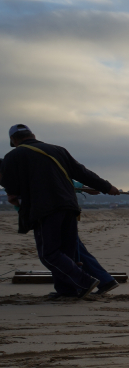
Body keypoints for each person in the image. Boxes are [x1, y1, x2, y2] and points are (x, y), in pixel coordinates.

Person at [1, 124, 121, 298]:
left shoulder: (13, 156)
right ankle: (67, 292)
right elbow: (82, 173)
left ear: (13, 140)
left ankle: (85, 281)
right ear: (33, 135)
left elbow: (12, 190)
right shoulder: (58, 150)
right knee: (66, 252)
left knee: (49, 254)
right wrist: (107, 187)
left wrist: (14, 197)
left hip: (45, 209)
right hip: (70, 206)